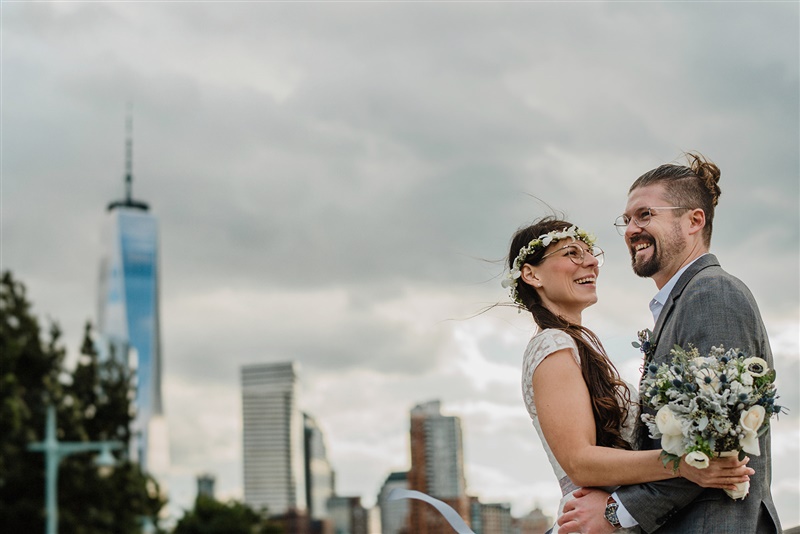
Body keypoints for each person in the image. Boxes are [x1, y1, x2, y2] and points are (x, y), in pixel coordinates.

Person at [557, 154, 782, 534]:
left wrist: (617, 512)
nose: (631, 230)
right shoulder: (682, 302)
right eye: (626, 220)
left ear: (694, 220)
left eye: (645, 215)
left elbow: (719, 444)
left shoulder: (712, 293)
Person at [505, 216, 752, 534]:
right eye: (572, 254)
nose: (592, 262)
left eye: (591, 253)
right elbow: (580, 462)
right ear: (531, 274)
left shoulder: (577, 346)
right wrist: (682, 463)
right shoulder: (552, 345)